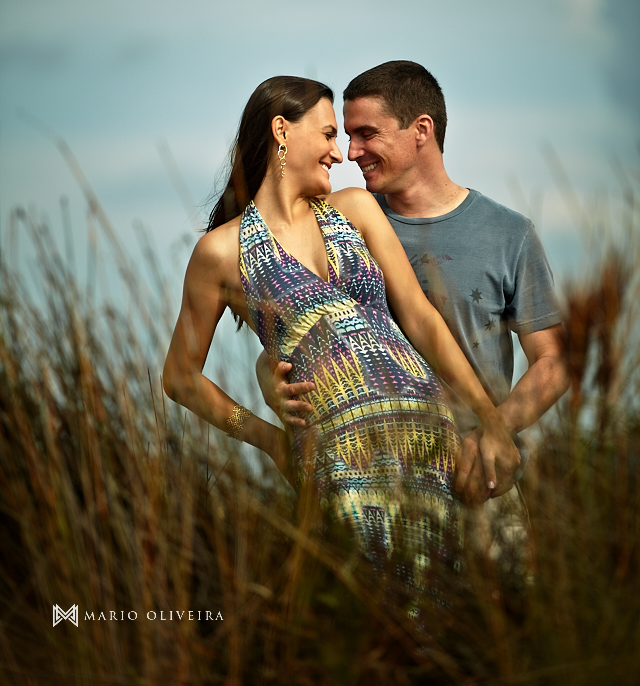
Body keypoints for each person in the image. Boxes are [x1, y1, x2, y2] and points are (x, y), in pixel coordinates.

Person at [162, 75, 520, 591]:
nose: (339, 153)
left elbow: (420, 318)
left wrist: (490, 421)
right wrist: (269, 440)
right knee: (377, 605)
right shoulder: (221, 252)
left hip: (431, 444)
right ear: (282, 131)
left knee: (458, 606)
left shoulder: (355, 209)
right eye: (329, 135)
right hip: (340, 463)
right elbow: (179, 377)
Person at [265, 62, 568, 518]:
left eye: (367, 134)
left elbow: (553, 362)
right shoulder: (337, 225)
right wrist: (269, 378)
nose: (352, 152)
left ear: (421, 130)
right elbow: (295, 330)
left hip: (477, 478)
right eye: (347, 136)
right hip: (368, 486)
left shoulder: (509, 234)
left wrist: (496, 431)